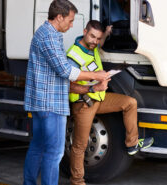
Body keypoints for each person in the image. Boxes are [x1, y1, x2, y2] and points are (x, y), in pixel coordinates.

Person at [23, 1, 110, 185]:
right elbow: (66, 71)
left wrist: (91, 86)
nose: (71, 25)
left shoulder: (46, 34)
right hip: (50, 103)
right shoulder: (49, 37)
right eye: (70, 20)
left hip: (42, 102)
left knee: (38, 147)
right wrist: (96, 75)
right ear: (59, 17)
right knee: (54, 153)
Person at [67, 20, 154, 185]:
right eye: (92, 36)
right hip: (84, 104)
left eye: (98, 38)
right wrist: (94, 86)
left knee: (130, 103)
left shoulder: (93, 47)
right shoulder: (73, 55)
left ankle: (132, 144)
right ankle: (77, 181)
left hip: (99, 99)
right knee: (80, 145)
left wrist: (106, 33)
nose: (95, 41)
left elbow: (99, 43)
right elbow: (70, 86)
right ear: (84, 31)